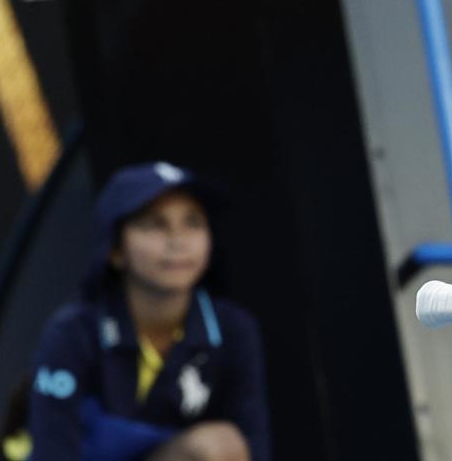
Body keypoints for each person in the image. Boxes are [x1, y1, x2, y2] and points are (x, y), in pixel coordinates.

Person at [28, 163, 270, 461]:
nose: (177, 241)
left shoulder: (234, 328)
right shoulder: (72, 332)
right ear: (115, 250)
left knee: (220, 446)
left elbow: (254, 448)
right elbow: (53, 451)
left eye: (192, 223)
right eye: (155, 224)